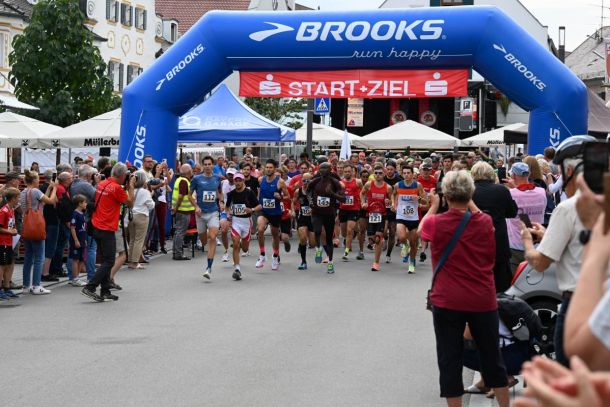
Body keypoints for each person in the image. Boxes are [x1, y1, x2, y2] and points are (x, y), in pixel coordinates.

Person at [419, 170, 509, 407]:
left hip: (447, 300)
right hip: (482, 299)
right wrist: (469, 200)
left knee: (449, 359)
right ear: (471, 194)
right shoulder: (484, 222)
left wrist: (433, 205)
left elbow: (421, 231)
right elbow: (483, 219)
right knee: (492, 357)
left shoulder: (435, 223)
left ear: (446, 195)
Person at [520, 135, 595, 367]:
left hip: (579, 304)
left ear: (570, 170)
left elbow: (540, 262)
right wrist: (549, 235)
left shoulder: (569, 208)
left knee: (571, 370)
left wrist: (528, 242)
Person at [82, 163, 135, 302]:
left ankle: (105, 290)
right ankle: (90, 287)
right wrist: (131, 187)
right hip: (107, 228)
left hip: (96, 225)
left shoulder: (103, 183)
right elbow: (130, 203)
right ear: (122, 175)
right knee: (109, 260)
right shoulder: (117, 188)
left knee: (106, 259)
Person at [472, 162, 518, 293]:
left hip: (476, 240)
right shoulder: (501, 190)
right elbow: (512, 212)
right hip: (498, 240)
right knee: (501, 283)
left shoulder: (470, 191)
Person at [20, 170, 57, 295]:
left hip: (27, 226)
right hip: (36, 227)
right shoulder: (35, 191)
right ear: (34, 180)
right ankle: (36, 285)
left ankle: (26, 286)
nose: (39, 180)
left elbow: (41, 202)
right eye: (37, 178)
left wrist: (49, 189)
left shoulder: (23, 192)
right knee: (39, 257)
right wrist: (55, 188)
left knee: (28, 257)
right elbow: (50, 201)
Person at [506, 162, 547, 272]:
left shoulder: (511, 193)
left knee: (515, 280)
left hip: (516, 245)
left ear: (513, 175)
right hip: (536, 244)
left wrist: (514, 188)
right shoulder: (541, 192)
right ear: (528, 174)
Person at [190, 156, 224, 279]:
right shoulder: (196, 179)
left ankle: (208, 268)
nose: (208, 166)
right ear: (203, 165)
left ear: (212, 165)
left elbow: (219, 192)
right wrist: (196, 206)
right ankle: (204, 239)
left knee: (212, 237)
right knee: (204, 241)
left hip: (213, 212)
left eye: (210, 164)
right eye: (205, 164)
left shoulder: (217, 178)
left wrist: (221, 202)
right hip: (200, 214)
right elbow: (189, 195)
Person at [307, 162, 344, 273]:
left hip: (329, 214)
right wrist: (310, 201)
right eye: (321, 168)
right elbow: (308, 191)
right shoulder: (315, 181)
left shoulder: (335, 182)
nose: (322, 170)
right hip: (316, 212)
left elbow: (343, 199)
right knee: (317, 231)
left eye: (325, 168)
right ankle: (318, 248)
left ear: (330, 169)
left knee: (329, 239)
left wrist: (332, 193)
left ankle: (330, 262)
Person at [225, 172, 260, 280]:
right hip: (236, 221)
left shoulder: (249, 193)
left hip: (246, 222)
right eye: (236, 180)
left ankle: (241, 244)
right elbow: (227, 207)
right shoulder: (231, 194)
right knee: (235, 244)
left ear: (243, 181)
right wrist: (228, 215)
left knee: (245, 249)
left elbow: (259, 206)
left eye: (240, 180)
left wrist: (252, 210)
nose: (238, 183)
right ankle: (237, 269)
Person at [255, 159, 288, 271]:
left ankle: (275, 257)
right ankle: (262, 255)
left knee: (275, 235)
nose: (268, 169)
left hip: (275, 212)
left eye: (271, 167)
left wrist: (280, 197)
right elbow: (259, 193)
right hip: (263, 210)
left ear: (274, 169)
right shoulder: (261, 180)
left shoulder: (280, 181)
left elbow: (287, 196)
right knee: (260, 229)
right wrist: (257, 203)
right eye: (267, 167)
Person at [393, 165, 427, 274]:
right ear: (402, 174)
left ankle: (411, 263)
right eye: (404, 173)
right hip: (401, 215)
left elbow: (425, 201)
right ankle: (405, 245)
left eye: (408, 173)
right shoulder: (398, 185)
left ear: (412, 174)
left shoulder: (417, 185)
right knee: (402, 237)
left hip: (413, 218)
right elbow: (393, 195)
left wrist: (419, 198)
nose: (406, 175)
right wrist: (394, 204)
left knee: (414, 243)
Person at [361, 164, 393, 272]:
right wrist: (363, 203)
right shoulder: (369, 184)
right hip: (371, 214)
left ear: (384, 174)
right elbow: (362, 194)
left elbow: (392, 201)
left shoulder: (388, 187)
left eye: (380, 173)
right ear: (373, 174)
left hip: (382, 214)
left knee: (378, 238)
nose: (378, 175)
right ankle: (376, 242)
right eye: (376, 173)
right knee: (371, 239)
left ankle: (376, 263)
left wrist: (389, 202)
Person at [70, 165, 98, 282]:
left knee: (75, 254)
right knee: (91, 249)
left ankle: (73, 277)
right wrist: (97, 183)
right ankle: (91, 276)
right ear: (88, 175)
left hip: (78, 220)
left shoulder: (73, 184)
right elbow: (99, 196)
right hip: (87, 221)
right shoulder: (86, 185)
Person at [128, 171, 155, 270]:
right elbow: (151, 205)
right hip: (142, 216)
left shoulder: (131, 190)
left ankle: (130, 261)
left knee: (132, 239)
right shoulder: (145, 192)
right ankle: (135, 262)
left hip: (131, 216)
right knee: (139, 240)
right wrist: (150, 195)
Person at [171, 164, 196, 261]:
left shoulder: (179, 180)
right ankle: (178, 253)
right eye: (191, 170)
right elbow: (181, 196)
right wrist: (176, 208)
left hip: (181, 210)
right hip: (183, 211)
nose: (192, 172)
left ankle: (176, 252)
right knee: (180, 232)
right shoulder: (184, 181)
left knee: (178, 232)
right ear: (188, 172)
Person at [339, 163, 363, 261]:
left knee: (349, 230)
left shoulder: (358, 182)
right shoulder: (340, 183)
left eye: (349, 171)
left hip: (354, 209)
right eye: (345, 172)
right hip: (343, 209)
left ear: (352, 172)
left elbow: (363, 192)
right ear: (343, 172)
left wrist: (362, 201)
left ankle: (346, 252)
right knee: (344, 232)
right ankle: (352, 234)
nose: (347, 173)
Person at [0, 188, 19, 300]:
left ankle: (7, 288)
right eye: (18, 197)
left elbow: (11, 225)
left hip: (9, 242)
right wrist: (10, 231)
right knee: (2, 266)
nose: (19, 199)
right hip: (2, 242)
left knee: (8, 265)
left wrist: (14, 230)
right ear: (13, 198)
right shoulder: (4, 211)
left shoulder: (11, 210)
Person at [293, 172, 314, 270]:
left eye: (308, 181)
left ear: (312, 181)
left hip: (313, 219)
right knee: (303, 238)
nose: (306, 182)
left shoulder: (315, 191)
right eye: (304, 180)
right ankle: (303, 262)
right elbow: (293, 202)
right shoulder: (298, 191)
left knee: (312, 243)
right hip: (302, 218)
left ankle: (303, 244)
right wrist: (292, 211)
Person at [383, 160, 402, 263]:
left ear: (395, 170)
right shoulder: (382, 179)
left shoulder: (399, 181)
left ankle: (388, 254)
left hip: (394, 209)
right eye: (388, 169)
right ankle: (384, 238)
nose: (389, 171)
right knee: (384, 231)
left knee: (392, 232)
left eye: (391, 169)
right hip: (383, 208)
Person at [417, 161, 436, 263]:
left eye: (428, 170)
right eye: (424, 170)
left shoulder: (434, 181)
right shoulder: (417, 180)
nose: (426, 172)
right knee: (417, 229)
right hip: (417, 208)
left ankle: (423, 252)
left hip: (429, 209)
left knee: (424, 229)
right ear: (421, 171)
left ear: (431, 171)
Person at [68, 194, 88, 287]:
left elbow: (83, 228)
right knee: (75, 259)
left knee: (81, 259)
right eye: (84, 202)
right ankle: (75, 279)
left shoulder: (82, 214)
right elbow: (72, 228)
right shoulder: (75, 214)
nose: (86, 204)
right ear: (80, 203)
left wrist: (85, 239)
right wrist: (76, 240)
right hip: (76, 240)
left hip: (82, 239)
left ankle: (77, 277)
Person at [220, 167, 237, 262]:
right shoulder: (223, 183)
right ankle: (226, 251)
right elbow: (220, 194)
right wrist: (221, 202)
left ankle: (236, 249)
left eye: (232, 175)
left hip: (237, 212)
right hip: (225, 211)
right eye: (229, 174)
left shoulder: (239, 184)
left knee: (235, 235)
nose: (230, 176)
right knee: (223, 229)